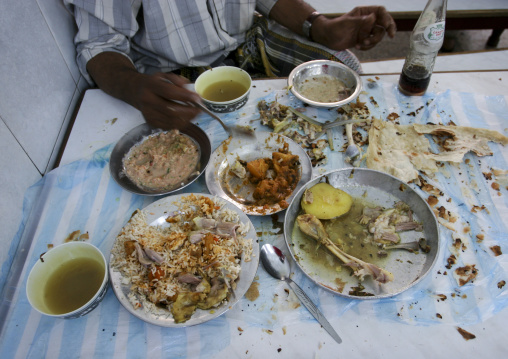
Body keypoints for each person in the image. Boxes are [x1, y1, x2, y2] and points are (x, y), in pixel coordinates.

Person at [65, 0, 396, 130]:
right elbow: (99, 45)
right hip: (173, 69)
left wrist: (320, 25)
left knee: (340, 68)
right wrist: (135, 88)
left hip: (249, 39)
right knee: (207, 146)